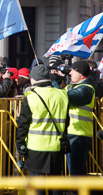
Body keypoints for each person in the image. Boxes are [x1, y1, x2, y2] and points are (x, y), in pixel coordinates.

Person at [16, 65, 69, 193]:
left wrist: (20, 144)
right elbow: (66, 121)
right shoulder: (63, 95)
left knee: (37, 186)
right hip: (57, 146)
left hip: (36, 147)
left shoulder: (30, 97)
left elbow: (23, 124)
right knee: (56, 184)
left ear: (33, 79)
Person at [65, 60, 96, 175]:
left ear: (81, 73)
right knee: (74, 172)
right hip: (73, 133)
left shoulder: (86, 89)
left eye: (73, 71)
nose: (70, 73)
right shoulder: (75, 87)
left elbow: (66, 97)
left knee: (76, 173)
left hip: (79, 135)